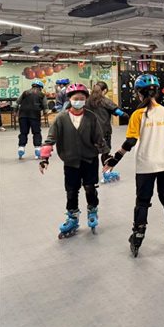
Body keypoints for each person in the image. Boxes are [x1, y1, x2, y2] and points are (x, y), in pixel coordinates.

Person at [102, 74, 164, 257]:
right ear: (157, 92)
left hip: (146, 166)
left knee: (143, 201)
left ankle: (138, 234)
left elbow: (130, 141)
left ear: (139, 93)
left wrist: (114, 160)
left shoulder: (137, 115)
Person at [39, 83, 108, 238]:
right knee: (71, 191)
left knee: (90, 187)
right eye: (76, 98)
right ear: (69, 99)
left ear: (86, 100)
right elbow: (50, 139)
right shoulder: (61, 118)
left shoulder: (91, 117)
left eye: (82, 98)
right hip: (70, 161)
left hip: (89, 160)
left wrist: (106, 156)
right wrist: (44, 158)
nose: (79, 101)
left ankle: (92, 211)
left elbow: (99, 139)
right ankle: (72, 217)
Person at [86, 81, 129, 182]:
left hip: (89, 132)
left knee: (91, 154)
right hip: (103, 132)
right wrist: (127, 116)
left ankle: (88, 176)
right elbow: (118, 112)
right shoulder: (105, 101)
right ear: (104, 90)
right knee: (105, 153)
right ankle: (107, 174)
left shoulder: (87, 101)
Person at [16, 79, 48, 159]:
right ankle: (37, 149)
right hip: (35, 116)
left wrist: (15, 111)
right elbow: (45, 106)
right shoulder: (42, 95)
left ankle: (21, 148)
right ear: (40, 87)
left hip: (22, 115)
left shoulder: (25, 92)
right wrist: (45, 113)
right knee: (36, 132)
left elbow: (17, 102)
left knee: (23, 132)